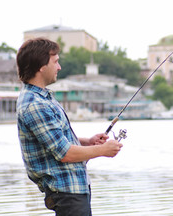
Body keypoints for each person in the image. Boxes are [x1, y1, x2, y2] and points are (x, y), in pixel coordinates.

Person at [16, 37, 123, 216]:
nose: (59, 67)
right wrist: (103, 150)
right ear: (41, 66)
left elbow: (54, 139)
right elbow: (64, 153)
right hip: (67, 194)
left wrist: (88, 142)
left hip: (72, 190)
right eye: (56, 62)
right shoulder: (35, 104)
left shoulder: (43, 99)